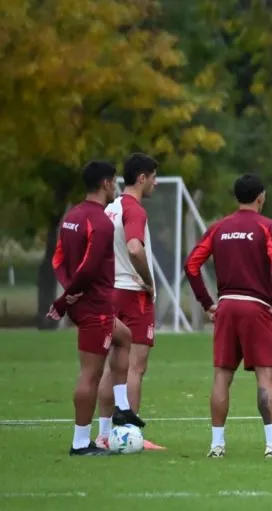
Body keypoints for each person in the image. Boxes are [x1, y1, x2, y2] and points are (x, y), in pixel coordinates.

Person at [184, 174, 272, 458]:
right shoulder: (267, 227)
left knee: (221, 377)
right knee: (266, 377)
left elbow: (191, 266)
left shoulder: (219, 228)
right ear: (261, 197)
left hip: (226, 306)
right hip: (255, 307)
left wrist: (207, 304)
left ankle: (216, 445)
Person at [48, 160, 135, 456]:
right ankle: (80, 442)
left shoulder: (72, 216)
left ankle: (122, 408)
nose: (116, 187)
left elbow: (58, 261)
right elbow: (88, 267)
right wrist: (64, 299)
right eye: (114, 182)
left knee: (124, 337)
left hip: (82, 301)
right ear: (105, 184)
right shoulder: (100, 222)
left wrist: (68, 292)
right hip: (93, 306)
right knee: (91, 374)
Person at [95, 152, 166, 451]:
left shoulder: (110, 209)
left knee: (113, 366)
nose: (156, 183)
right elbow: (136, 248)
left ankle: (103, 434)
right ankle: (128, 434)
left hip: (110, 291)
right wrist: (148, 281)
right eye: (153, 177)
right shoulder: (134, 210)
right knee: (136, 367)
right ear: (141, 178)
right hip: (132, 294)